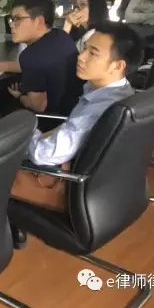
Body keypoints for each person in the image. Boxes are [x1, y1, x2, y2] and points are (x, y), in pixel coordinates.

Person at [11, 21, 143, 212]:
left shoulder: (98, 109)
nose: (81, 57)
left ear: (117, 66)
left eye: (93, 53)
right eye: (85, 48)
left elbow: (42, 154)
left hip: (62, 182)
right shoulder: (118, 90)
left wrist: (24, 129)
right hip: (101, 183)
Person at [0, 0, 80, 116]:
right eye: (11, 19)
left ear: (39, 21)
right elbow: (40, 66)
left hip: (51, 120)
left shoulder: (31, 56)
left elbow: (38, 106)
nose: (12, 25)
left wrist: (19, 96)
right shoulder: (61, 36)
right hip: (75, 110)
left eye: (17, 19)